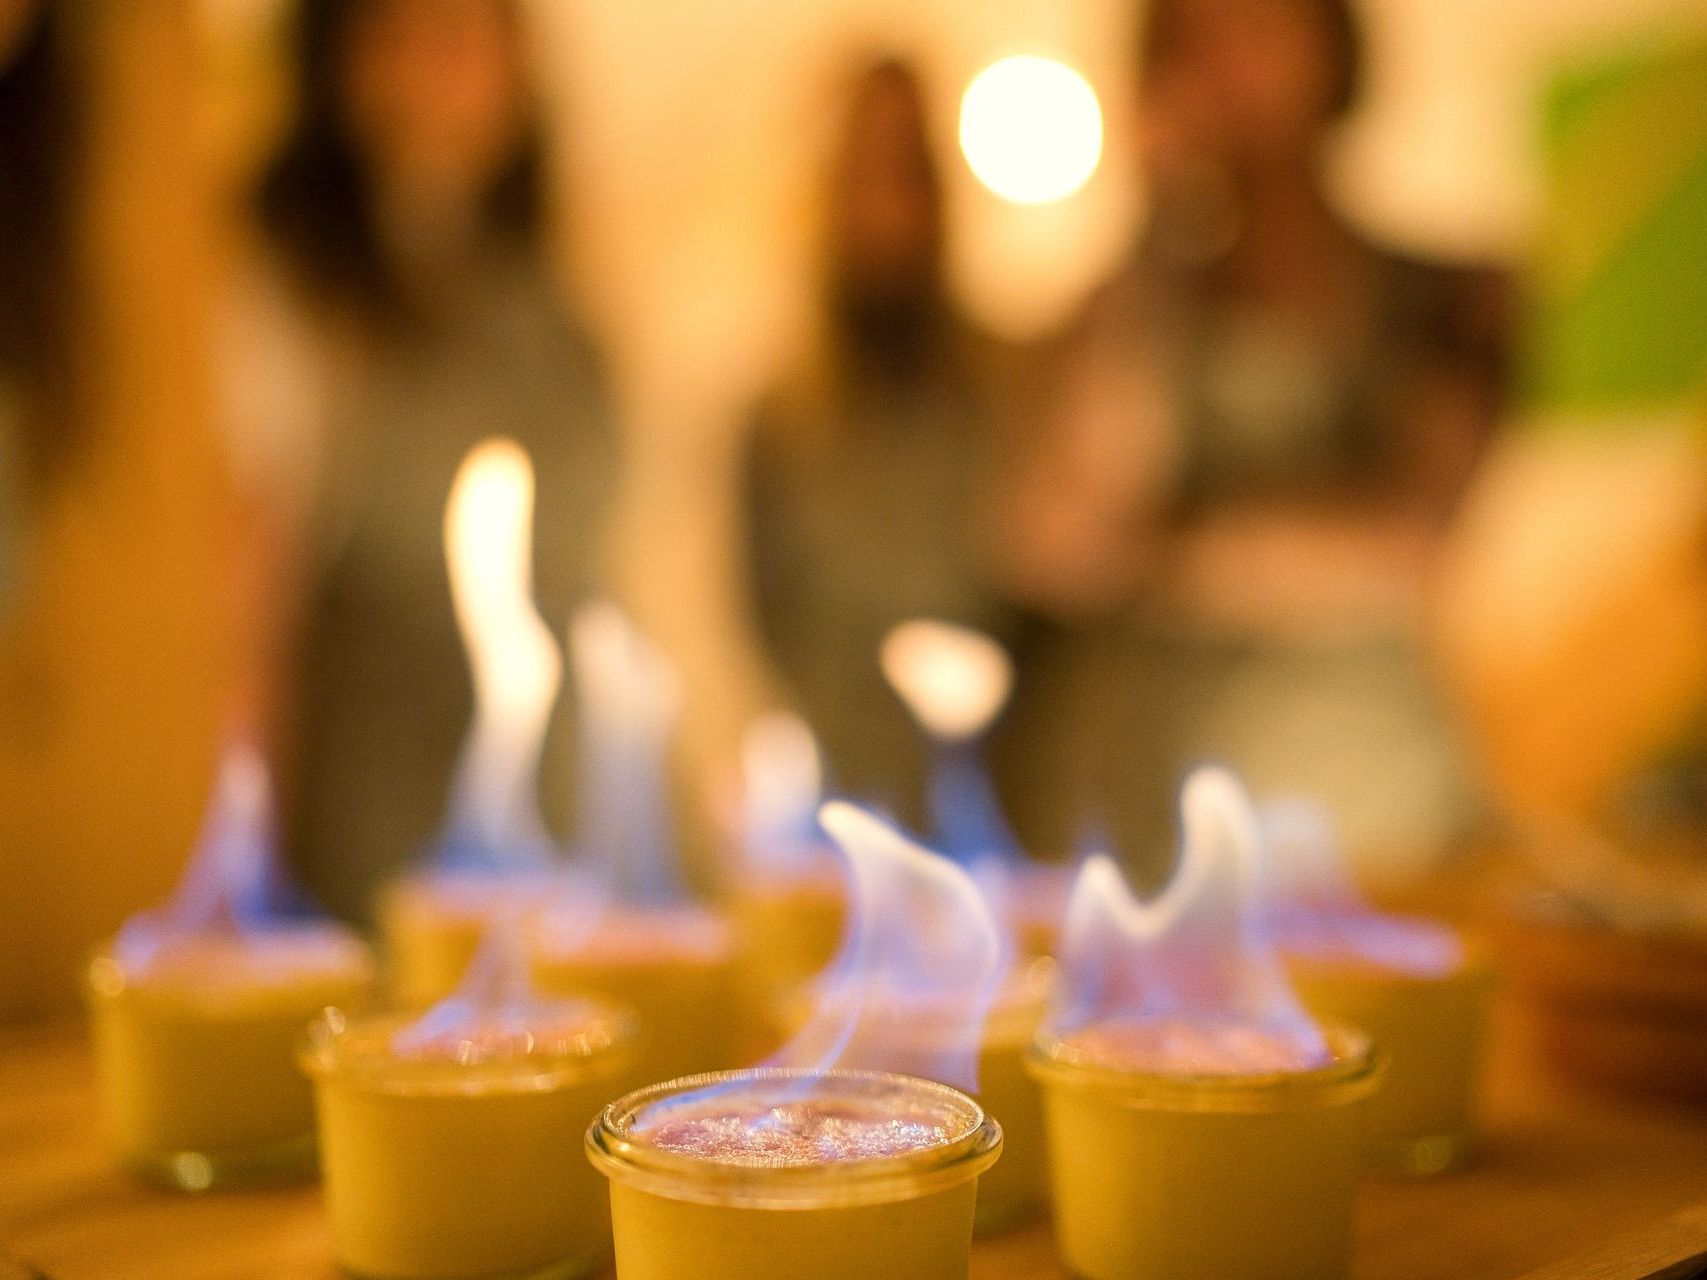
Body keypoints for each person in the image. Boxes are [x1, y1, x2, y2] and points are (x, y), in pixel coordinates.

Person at [996, 0, 1508, 881]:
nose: (1225, 64)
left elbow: (1405, 541)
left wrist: (1154, 552)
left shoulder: (1450, 292)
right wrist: (1152, 237)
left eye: (1258, 24)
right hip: (1134, 813)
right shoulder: (1114, 311)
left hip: (1363, 807)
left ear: (1331, 43)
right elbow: (1055, 541)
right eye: (1191, 36)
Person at [231, 0, 616, 923]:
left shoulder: (561, 288)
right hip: (382, 811)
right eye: (397, 36)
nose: (433, 69)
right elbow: (251, 578)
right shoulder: (291, 287)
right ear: (340, 66)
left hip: (558, 796)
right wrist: (246, 843)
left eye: (461, 35)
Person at [739, 56, 1019, 831]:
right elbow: (766, 615)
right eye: (866, 165)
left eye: (909, 165)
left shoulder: (1008, 388)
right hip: (843, 792)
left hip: (999, 789)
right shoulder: (780, 416)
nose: (890, 200)